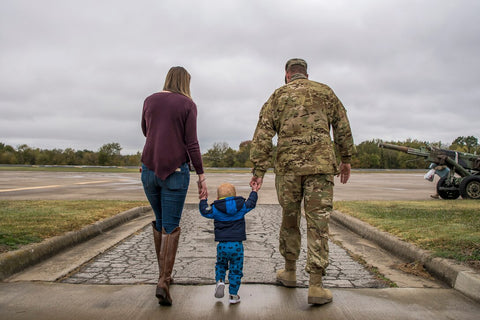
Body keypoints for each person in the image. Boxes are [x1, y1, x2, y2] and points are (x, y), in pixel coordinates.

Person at [249, 58, 355, 305]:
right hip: (320, 167)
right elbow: (342, 126)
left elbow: (263, 133)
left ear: (287, 74)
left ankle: (289, 271)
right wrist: (346, 159)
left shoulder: (277, 96)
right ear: (306, 74)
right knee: (318, 223)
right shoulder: (325, 92)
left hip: (288, 169)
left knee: (290, 218)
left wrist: (258, 169)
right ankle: (316, 285)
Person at [141, 66, 207, 306]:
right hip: (176, 171)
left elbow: (146, 131)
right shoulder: (188, 104)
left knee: (160, 224)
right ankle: (164, 281)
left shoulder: (149, 100)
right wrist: (201, 174)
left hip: (149, 169)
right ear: (185, 83)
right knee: (170, 226)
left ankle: (163, 277)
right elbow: (191, 142)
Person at [199, 182, 259, 304]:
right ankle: (233, 294)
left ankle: (220, 280)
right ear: (235, 195)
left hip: (222, 245)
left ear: (217, 198)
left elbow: (204, 211)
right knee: (236, 269)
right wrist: (254, 191)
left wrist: (203, 199)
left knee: (221, 264)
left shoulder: (215, 209)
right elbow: (251, 203)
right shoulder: (241, 206)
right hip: (237, 246)